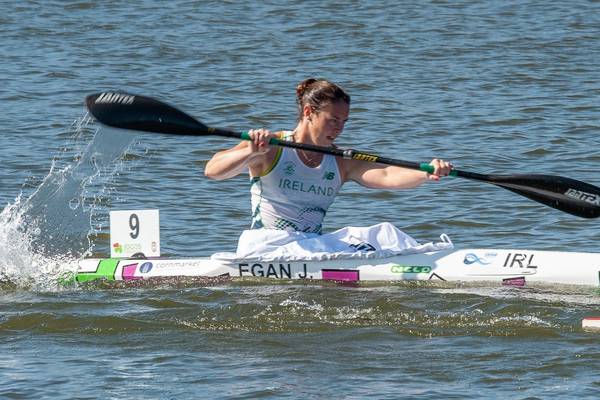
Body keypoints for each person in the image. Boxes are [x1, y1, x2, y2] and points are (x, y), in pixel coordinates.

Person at [205, 78, 452, 258]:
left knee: (385, 233)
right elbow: (213, 170)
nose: (339, 129)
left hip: (312, 245)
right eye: (333, 120)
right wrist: (250, 151)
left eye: (344, 122)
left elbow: (387, 174)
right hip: (268, 246)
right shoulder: (271, 147)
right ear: (308, 112)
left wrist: (426, 172)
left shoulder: (341, 159)